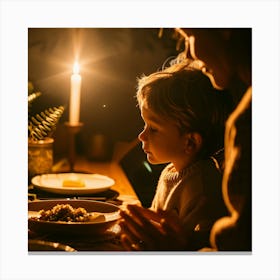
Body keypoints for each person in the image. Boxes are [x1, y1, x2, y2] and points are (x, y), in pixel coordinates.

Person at [118, 61, 233, 251]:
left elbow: (195, 244)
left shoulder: (201, 187)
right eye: (145, 125)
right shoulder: (172, 170)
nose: (141, 136)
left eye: (153, 129)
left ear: (190, 142)